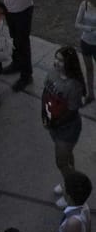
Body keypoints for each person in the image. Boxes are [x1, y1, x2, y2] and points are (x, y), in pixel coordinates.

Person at [45, 46, 86, 181]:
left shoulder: (74, 85)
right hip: (53, 123)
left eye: (61, 60)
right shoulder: (53, 72)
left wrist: (55, 123)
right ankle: (71, 179)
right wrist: (46, 115)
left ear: (69, 63)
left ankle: (72, 186)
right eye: (56, 58)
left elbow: (71, 112)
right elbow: (46, 93)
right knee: (67, 156)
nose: (56, 62)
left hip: (67, 129)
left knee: (61, 163)